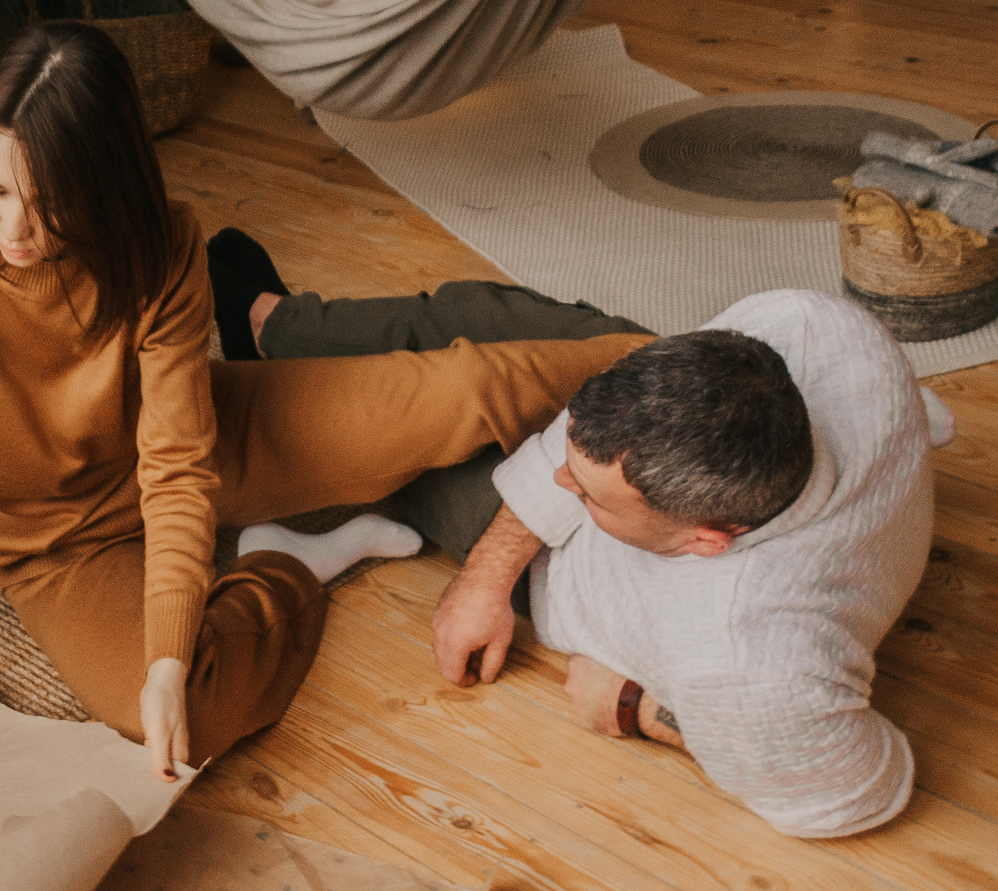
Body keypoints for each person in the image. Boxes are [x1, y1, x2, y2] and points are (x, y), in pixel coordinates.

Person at [0, 24, 644, 782]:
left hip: (205, 442)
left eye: (48, 201)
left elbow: (177, 466)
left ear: (106, 186)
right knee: (184, 712)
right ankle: (286, 559)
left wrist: (656, 365)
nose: (14, 226)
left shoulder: (160, 246)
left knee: (462, 393)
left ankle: (665, 350)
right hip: (53, 547)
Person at [404, 289, 947, 838]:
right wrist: (483, 579)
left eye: (587, 494)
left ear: (706, 540)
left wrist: (638, 707)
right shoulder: (809, 325)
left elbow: (851, 793)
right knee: (448, 313)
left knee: (371, 415)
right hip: (632, 413)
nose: (557, 481)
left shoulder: (743, 657)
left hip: (558, 562)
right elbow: (586, 442)